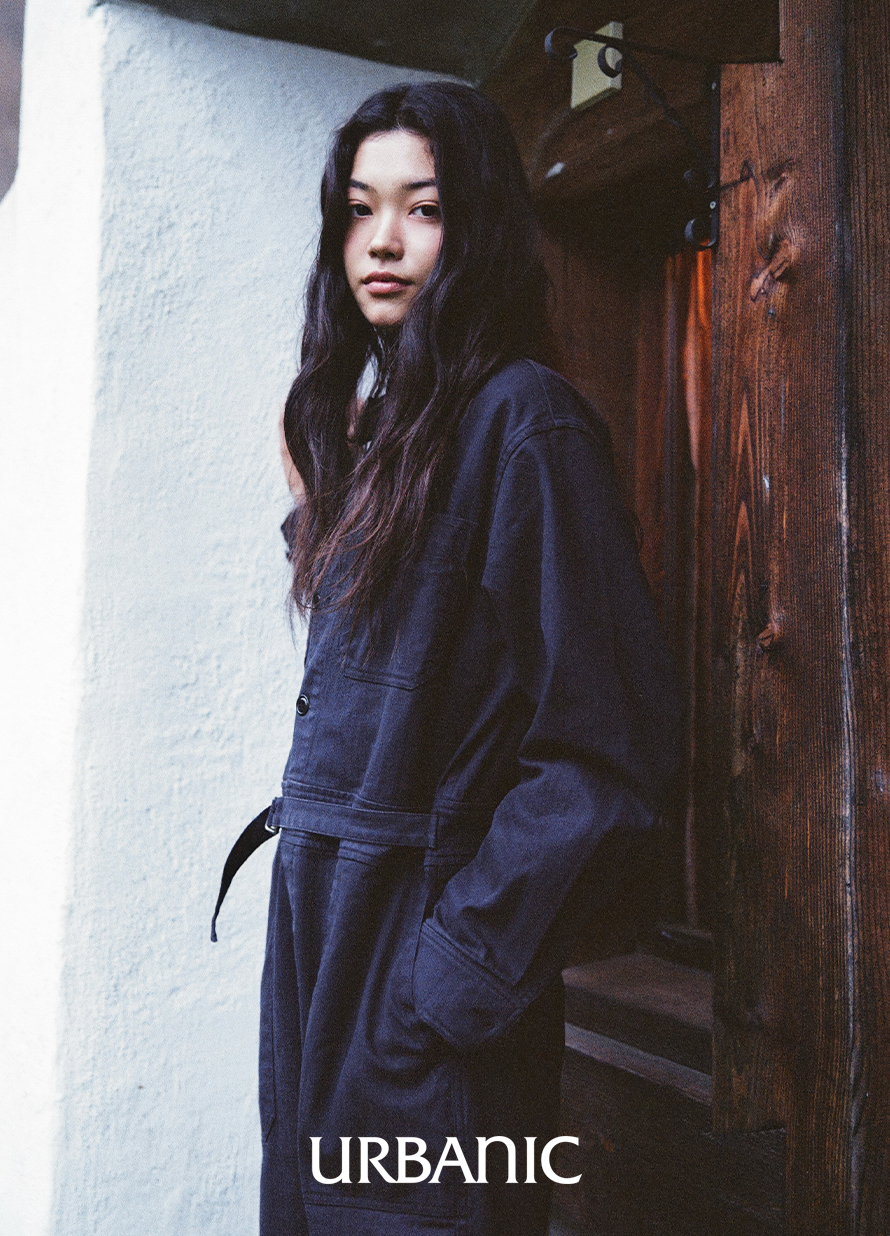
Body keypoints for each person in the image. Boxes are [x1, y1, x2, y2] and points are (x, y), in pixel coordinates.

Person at [213, 80, 681, 1236]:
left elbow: (605, 753)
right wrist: (322, 499)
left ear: (475, 227)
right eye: (359, 209)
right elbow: (396, 673)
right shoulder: (390, 434)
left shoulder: (526, 420)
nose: (381, 240)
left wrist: (452, 973)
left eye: (420, 208)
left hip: (420, 980)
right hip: (327, 954)